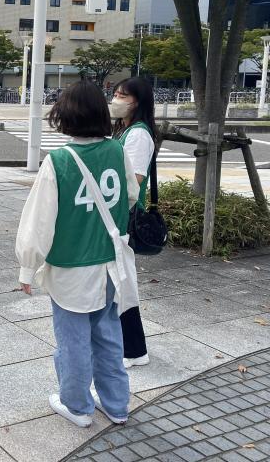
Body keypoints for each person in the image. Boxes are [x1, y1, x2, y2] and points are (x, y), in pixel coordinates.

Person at [16, 81, 139, 428]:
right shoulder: (117, 151)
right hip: (111, 266)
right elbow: (130, 195)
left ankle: (77, 405)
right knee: (108, 336)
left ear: (65, 117)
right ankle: (116, 404)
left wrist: (27, 268)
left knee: (73, 341)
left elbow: (39, 223)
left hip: (72, 270)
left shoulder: (59, 162)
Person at [111, 77, 156, 369]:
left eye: (121, 96)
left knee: (123, 284)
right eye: (115, 94)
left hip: (124, 214)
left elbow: (134, 180)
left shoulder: (138, 134)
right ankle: (133, 349)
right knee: (122, 282)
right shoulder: (125, 130)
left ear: (136, 102)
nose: (115, 100)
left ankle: (132, 350)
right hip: (118, 213)